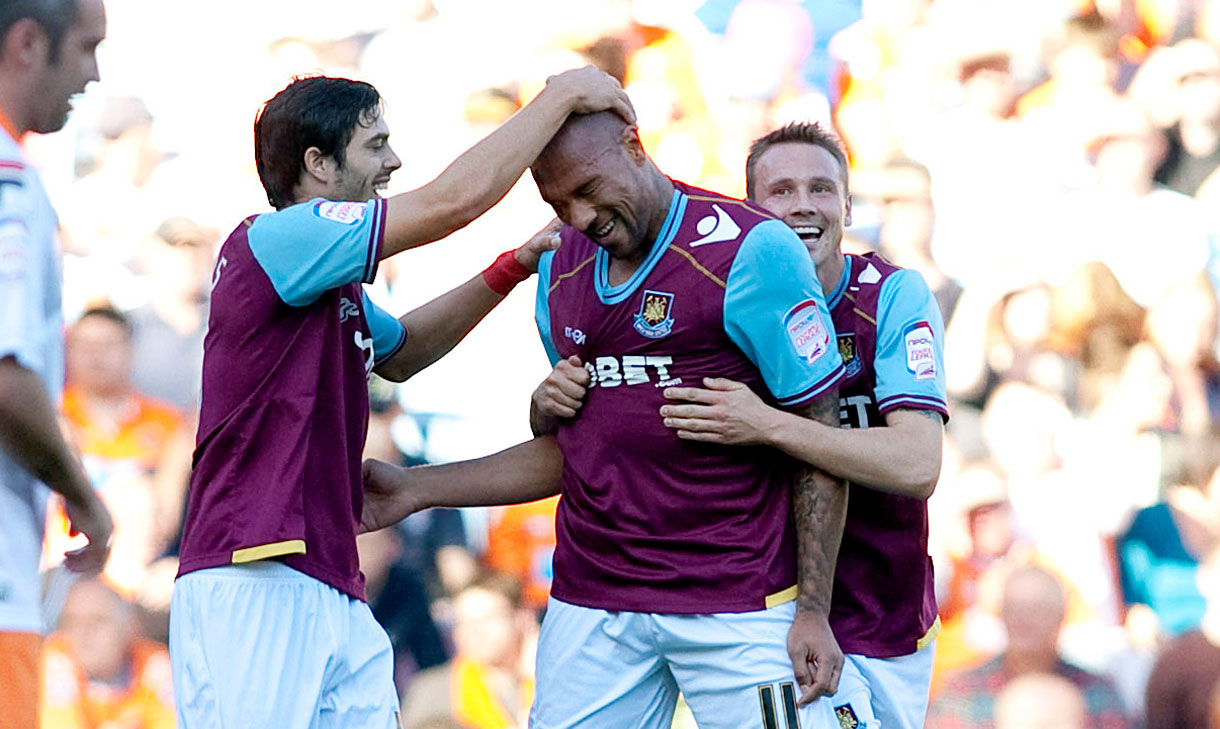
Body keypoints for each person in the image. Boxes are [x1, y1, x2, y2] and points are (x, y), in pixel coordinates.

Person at [169, 68, 633, 729]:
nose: (395, 159)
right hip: (252, 571)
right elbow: (450, 203)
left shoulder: (331, 282)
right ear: (318, 165)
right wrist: (559, 97)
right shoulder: (273, 239)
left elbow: (405, 348)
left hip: (330, 576)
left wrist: (508, 267)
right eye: (375, 144)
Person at [362, 110, 855, 729]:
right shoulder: (558, 264)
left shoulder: (750, 249)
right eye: (559, 201)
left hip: (737, 596)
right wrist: (419, 486)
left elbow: (821, 431)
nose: (580, 216)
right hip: (594, 599)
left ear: (633, 145)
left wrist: (813, 607)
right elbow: (581, 448)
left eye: (588, 190)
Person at [556, 121, 943, 729]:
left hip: (873, 607)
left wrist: (768, 425)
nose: (803, 206)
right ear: (749, 211)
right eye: (782, 191)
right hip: (757, 603)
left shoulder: (891, 297)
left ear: (846, 204)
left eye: (821, 189)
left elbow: (918, 465)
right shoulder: (722, 298)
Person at [0, 2, 112, 728]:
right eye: (86, 48)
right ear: (29, 43)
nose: (93, 73)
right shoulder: (12, 182)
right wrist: (84, 496)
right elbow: (6, 372)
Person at [927, 565, 1130, 729]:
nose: (1025, 619)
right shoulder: (963, 693)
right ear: (1002, 614)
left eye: (1039, 609)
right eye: (1016, 608)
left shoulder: (1097, 693)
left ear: (1061, 616)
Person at [401, 571, 537, 729]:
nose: (473, 632)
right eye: (463, 623)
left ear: (523, 618)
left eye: (487, 619)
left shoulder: (550, 684)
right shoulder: (431, 691)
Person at [41, 577, 175, 729]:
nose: (84, 632)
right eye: (73, 621)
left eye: (98, 621)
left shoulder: (153, 664)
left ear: (131, 626)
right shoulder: (56, 660)